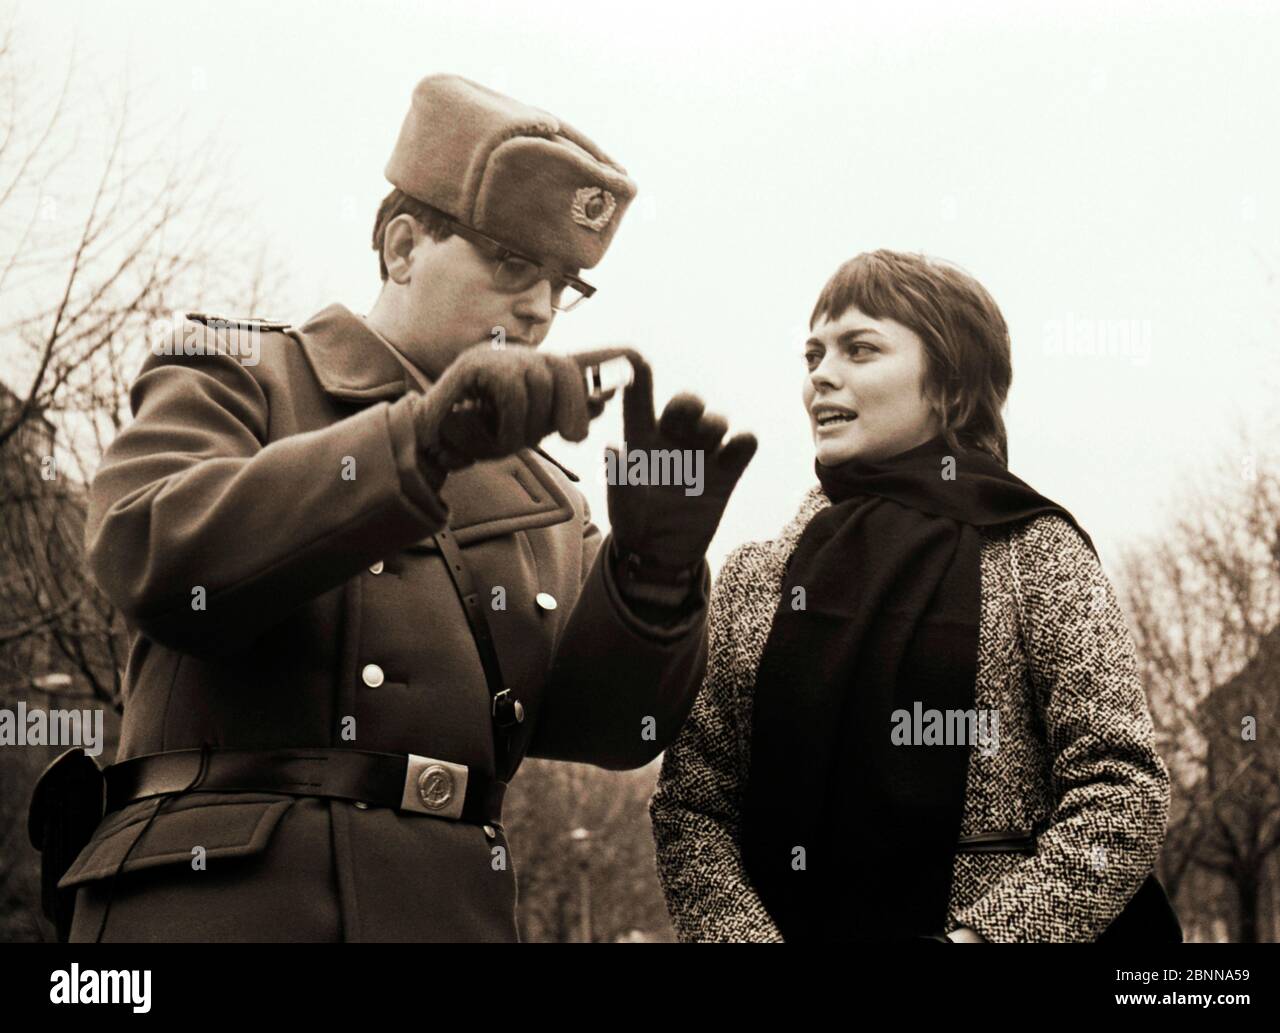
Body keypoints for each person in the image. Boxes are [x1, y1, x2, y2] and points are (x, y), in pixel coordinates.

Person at [47, 73, 756, 942]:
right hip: (216, 906)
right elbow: (153, 557)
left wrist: (651, 581)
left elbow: (614, 731)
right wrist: (422, 441)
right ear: (402, 245)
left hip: (445, 911)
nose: (539, 307)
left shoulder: (547, 500)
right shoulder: (240, 374)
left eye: (564, 282)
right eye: (512, 262)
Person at [649, 249, 1171, 942]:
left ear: (950, 383)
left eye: (859, 349)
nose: (821, 377)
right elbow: (691, 806)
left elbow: (1122, 789)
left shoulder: (1036, 552)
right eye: (813, 355)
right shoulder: (755, 576)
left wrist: (981, 942)